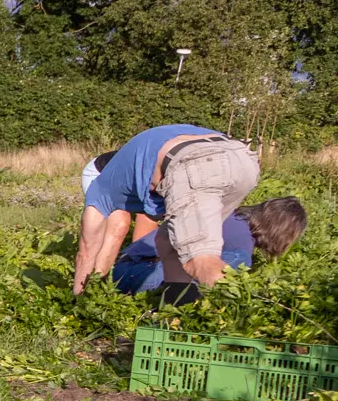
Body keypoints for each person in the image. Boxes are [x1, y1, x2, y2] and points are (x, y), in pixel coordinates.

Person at [75, 125, 261, 297]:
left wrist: (80, 298)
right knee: (166, 240)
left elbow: (86, 252)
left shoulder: (99, 192)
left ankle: (242, 313)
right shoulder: (133, 169)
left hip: (195, 162)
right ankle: (174, 313)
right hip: (243, 159)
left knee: (199, 258)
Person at [111, 197, 307, 295]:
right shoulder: (242, 247)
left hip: (126, 267)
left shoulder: (233, 217)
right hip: (138, 274)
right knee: (233, 268)